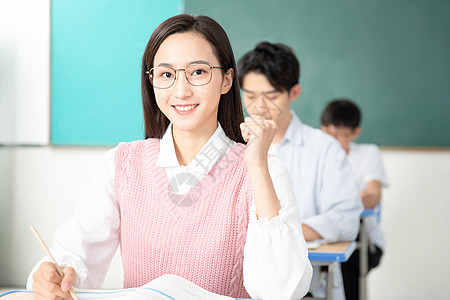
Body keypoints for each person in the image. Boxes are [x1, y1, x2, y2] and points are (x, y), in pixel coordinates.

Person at [26, 15, 313, 300]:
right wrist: (55, 274)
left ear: (227, 80)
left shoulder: (263, 167)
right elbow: (76, 252)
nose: (181, 90)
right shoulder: (123, 163)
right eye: (166, 74)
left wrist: (256, 166)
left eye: (198, 72)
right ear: (151, 82)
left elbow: (282, 291)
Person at [238, 42, 363, 300]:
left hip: (301, 286)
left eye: (271, 96)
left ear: (294, 92)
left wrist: (284, 234)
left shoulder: (324, 148)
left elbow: (346, 218)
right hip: (234, 281)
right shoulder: (231, 146)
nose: (259, 106)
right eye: (249, 95)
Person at [320, 98, 389, 300]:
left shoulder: (367, 153)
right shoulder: (317, 156)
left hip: (362, 241)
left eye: (340, 134)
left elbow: (373, 196)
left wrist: (338, 203)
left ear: (355, 132)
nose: (332, 140)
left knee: (345, 269)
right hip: (323, 233)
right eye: (327, 132)